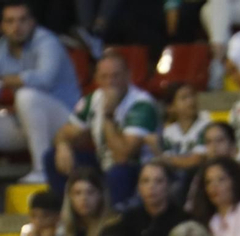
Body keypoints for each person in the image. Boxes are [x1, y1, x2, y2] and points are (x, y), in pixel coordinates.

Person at [0, 1, 82, 186]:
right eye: (10, 21)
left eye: (22, 20)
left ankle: (41, 170)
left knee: (26, 96)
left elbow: (44, 79)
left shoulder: (47, 41)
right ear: (2, 26)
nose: (16, 27)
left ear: (32, 22)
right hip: (28, 125)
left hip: (67, 122)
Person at [49, 49, 159, 207]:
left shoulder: (141, 104)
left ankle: (110, 216)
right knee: (51, 157)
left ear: (128, 76)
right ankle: (67, 211)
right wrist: (62, 145)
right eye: (104, 77)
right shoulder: (92, 100)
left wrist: (108, 115)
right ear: (96, 79)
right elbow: (63, 133)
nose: (110, 82)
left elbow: (123, 156)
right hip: (103, 163)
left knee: (119, 172)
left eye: (116, 76)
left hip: (138, 169)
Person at [114, 161, 188, 236]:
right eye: (145, 181)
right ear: (139, 187)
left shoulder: (183, 220)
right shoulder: (128, 219)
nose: (151, 187)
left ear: (168, 185)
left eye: (158, 181)